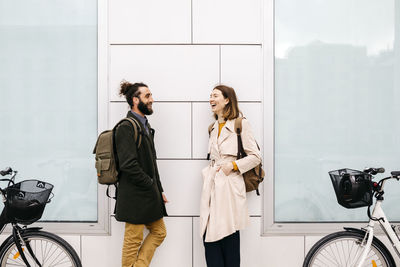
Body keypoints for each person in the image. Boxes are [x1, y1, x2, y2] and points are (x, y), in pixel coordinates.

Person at [200, 85, 261, 267]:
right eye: (210, 95)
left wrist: (233, 165)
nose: (211, 99)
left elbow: (256, 156)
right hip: (212, 185)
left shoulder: (240, 124)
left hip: (230, 187)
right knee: (209, 235)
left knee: (229, 236)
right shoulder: (212, 128)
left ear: (227, 100)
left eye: (215, 95)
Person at [115, 80, 168, 267]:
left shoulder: (145, 126)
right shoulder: (126, 127)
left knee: (159, 232)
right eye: (147, 96)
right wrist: (149, 184)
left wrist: (158, 189)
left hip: (148, 195)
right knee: (133, 242)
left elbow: (151, 164)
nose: (152, 99)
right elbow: (128, 164)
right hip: (134, 198)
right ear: (135, 100)